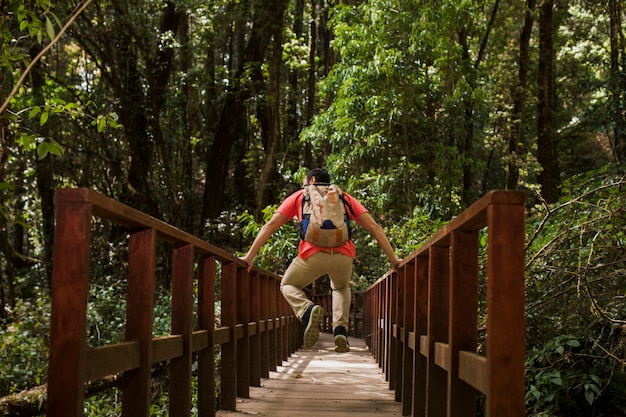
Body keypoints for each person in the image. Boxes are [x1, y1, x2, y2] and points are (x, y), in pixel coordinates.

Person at [240, 168, 401, 353]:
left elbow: (270, 226)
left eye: (304, 181)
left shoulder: (300, 196)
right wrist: (393, 259)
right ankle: (340, 331)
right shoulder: (343, 197)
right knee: (341, 288)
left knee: (288, 284)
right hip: (343, 256)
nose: (303, 185)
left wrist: (249, 257)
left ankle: (307, 310)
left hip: (312, 255)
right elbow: (374, 226)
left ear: (312, 180)